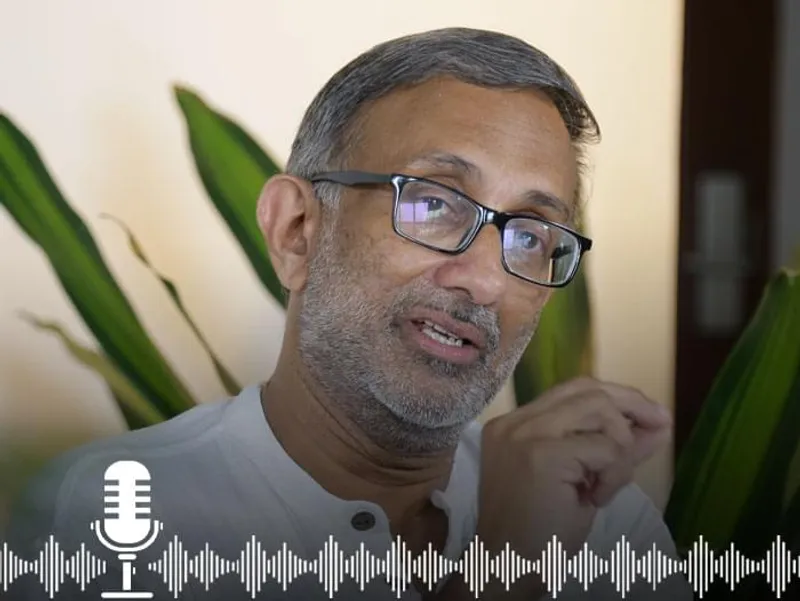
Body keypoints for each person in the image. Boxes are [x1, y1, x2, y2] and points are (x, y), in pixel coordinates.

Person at [5, 28, 694, 601]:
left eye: (531, 237)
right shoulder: (110, 522)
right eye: (433, 202)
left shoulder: (601, 522)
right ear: (296, 231)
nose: (486, 280)